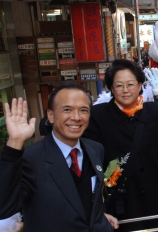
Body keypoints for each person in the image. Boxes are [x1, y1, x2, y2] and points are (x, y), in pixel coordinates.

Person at [0, 83, 118, 231]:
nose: (76, 117)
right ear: (50, 115)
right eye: (67, 109)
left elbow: (87, 199)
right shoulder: (31, 158)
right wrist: (15, 142)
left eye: (83, 110)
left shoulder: (95, 149)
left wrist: (99, 216)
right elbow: (5, 206)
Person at [83, 59, 158, 231]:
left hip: (156, 200)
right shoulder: (98, 116)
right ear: (111, 88)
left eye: (130, 84)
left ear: (140, 84)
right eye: (119, 85)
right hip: (119, 202)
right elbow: (91, 161)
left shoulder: (155, 112)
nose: (125, 90)